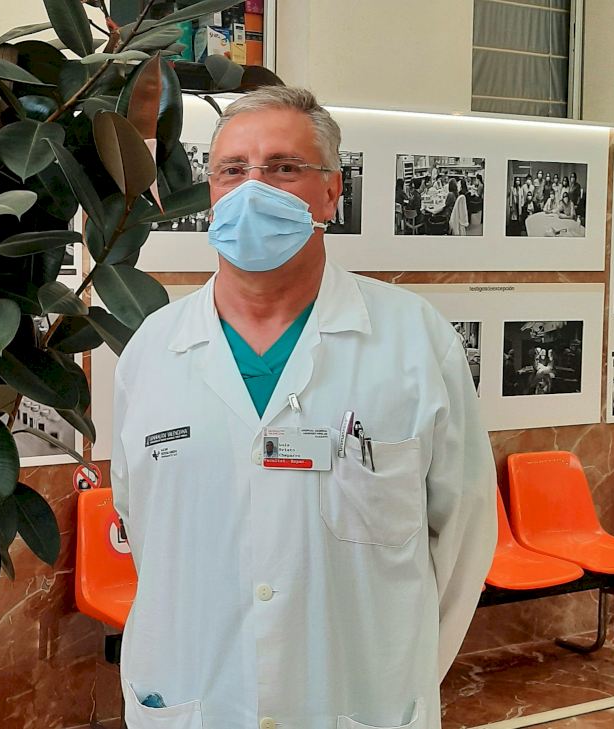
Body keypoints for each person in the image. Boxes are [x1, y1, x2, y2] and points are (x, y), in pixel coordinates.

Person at [111, 85, 495, 729]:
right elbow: (143, 524)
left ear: (332, 192)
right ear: (211, 192)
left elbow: (464, 536)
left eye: (284, 168)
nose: (253, 189)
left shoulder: (413, 340)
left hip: (357, 698)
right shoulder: (154, 349)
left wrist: (403, 674)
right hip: (196, 694)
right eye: (232, 170)